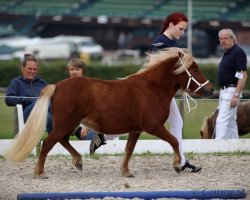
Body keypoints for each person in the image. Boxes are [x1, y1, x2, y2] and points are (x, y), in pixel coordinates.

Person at [150, 12, 201, 172]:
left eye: (184, 29)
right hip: (156, 94)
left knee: (176, 122)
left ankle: (181, 161)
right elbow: (152, 67)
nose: (183, 32)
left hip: (163, 94)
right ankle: (105, 135)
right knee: (136, 121)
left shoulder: (169, 43)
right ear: (170, 25)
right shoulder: (160, 42)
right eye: (181, 28)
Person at [5, 54, 53, 133]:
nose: (33, 71)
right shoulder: (16, 82)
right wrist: (28, 100)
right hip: (26, 115)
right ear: (22, 68)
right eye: (30, 69)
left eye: (35, 69)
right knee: (40, 101)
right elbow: (8, 99)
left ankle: (53, 139)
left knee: (48, 115)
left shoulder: (42, 82)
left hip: (43, 115)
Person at [215, 29, 248, 139]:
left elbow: (243, 74)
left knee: (221, 120)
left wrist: (236, 94)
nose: (223, 41)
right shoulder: (227, 53)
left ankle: (218, 147)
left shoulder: (238, 52)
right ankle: (235, 146)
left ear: (232, 39)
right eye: (221, 39)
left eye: (225, 38)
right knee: (231, 121)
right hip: (224, 91)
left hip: (232, 91)